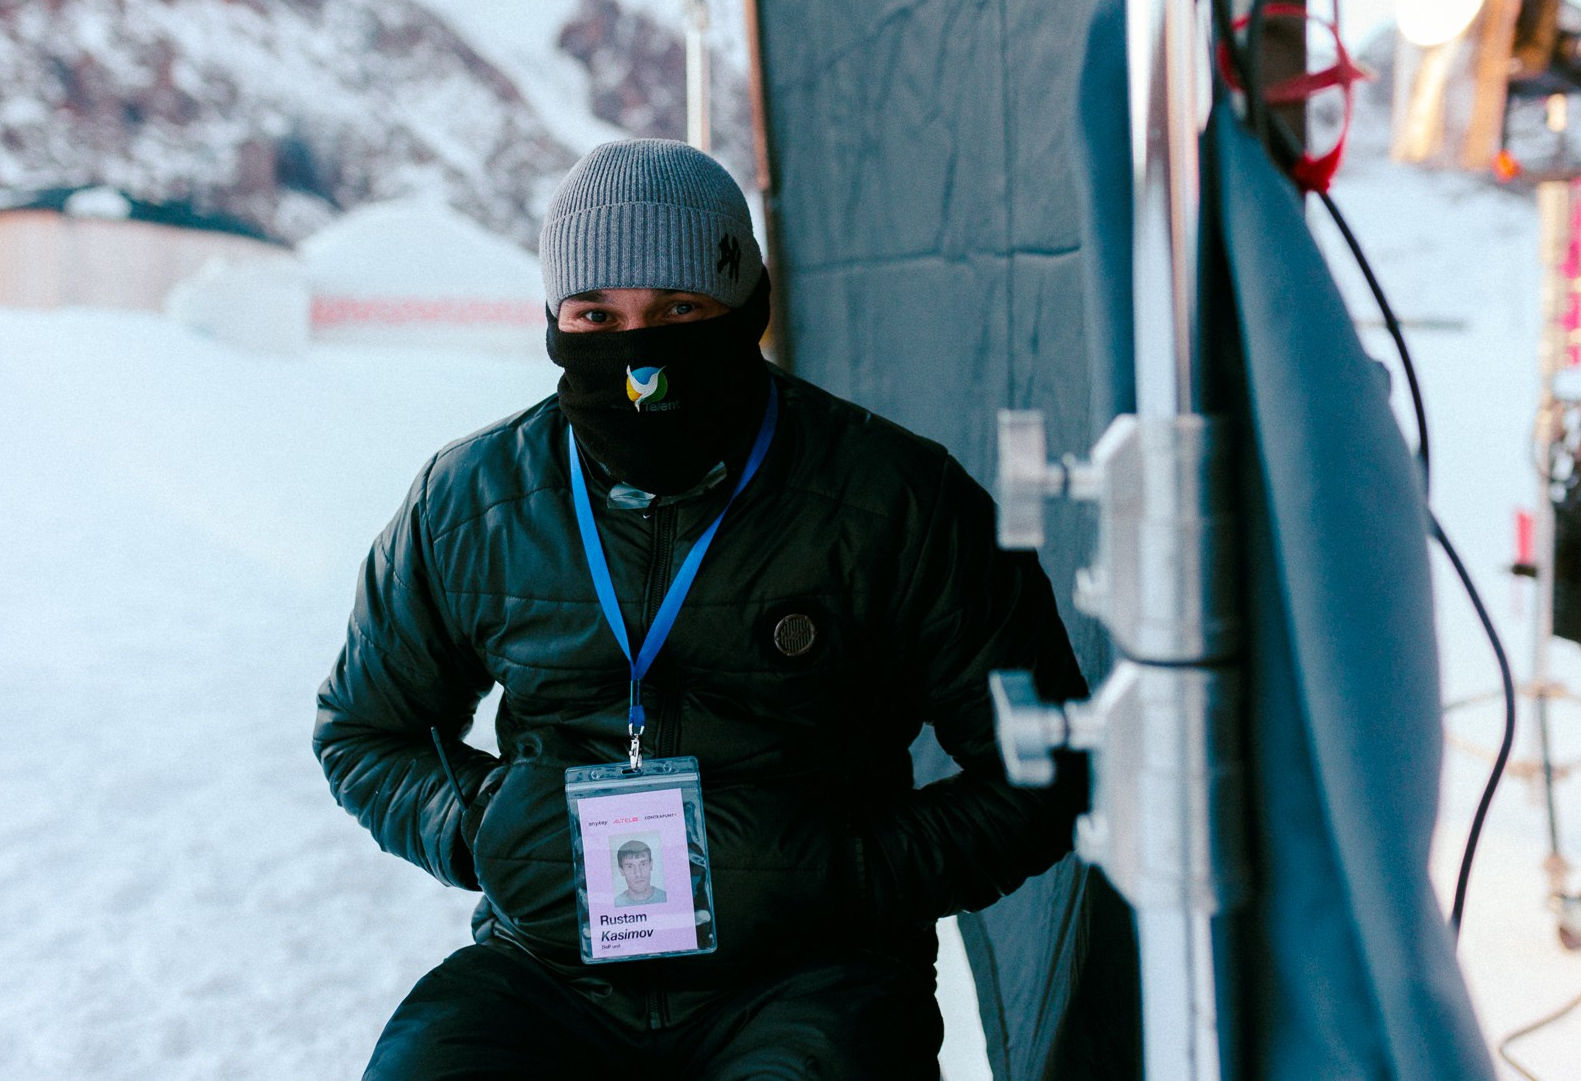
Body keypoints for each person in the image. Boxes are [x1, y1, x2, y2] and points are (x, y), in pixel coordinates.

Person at [315, 138, 1085, 1080]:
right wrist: (477, 822)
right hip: (552, 970)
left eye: (678, 309)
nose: (639, 357)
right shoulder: (469, 502)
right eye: (597, 315)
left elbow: (1042, 765)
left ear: (747, 306)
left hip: (813, 974)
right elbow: (362, 730)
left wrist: (840, 873)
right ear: (555, 320)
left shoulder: (898, 501)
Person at [612, 840, 666, 908]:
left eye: (643, 864)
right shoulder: (616, 903)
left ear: (651, 865)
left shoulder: (665, 897)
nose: (638, 873)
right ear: (621, 871)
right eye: (630, 866)